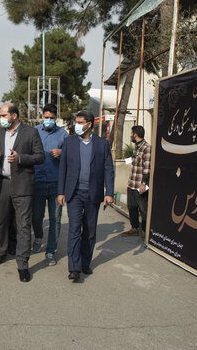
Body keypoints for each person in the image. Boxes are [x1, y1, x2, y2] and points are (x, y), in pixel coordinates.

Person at [0, 103, 44, 282]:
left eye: (4, 115)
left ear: (14, 116)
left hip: (22, 185)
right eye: (0, 115)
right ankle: (1, 251)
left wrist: (21, 158)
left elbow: (40, 157)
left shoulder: (30, 133)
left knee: (23, 225)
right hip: (1, 184)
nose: (1, 118)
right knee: (0, 222)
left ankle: (22, 263)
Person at [58, 110, 114, 282]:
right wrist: (61, 191)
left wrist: (109, 193)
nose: (77, 125)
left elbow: (108, 169)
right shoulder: (69, 142)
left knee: (89, 231)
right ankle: (74, 267)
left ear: (89, 124)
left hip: (93, 193)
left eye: (80, 122)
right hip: (74, 193)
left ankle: (85, 262)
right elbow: (63, 169)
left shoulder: (102, 144)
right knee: (74, 229)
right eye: (76, 121)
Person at [32, 104, 69, 266]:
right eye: (46, 117)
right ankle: (38, 236)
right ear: (42, 117)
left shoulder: (63, 135)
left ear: (56, 118)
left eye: (51, 118)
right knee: (37, 216)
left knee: (55, 219)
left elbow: (72, 157)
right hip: (37, 182)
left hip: (56, 184)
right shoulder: (34, 132)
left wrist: (62, 153)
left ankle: (50, 250)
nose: (48, 120)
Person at [122, 125, 151, 239]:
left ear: (135, 134)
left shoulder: (147, 148)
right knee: (131, 206)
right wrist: (126, 160)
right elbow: (134, 161)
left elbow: (147, 168)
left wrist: (144, 184)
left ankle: (144, 231)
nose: (130, 135)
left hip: (140, 184)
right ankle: (135, 228)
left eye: (131, 133)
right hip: (132, 183)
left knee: (143, 208)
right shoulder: (137, 146)